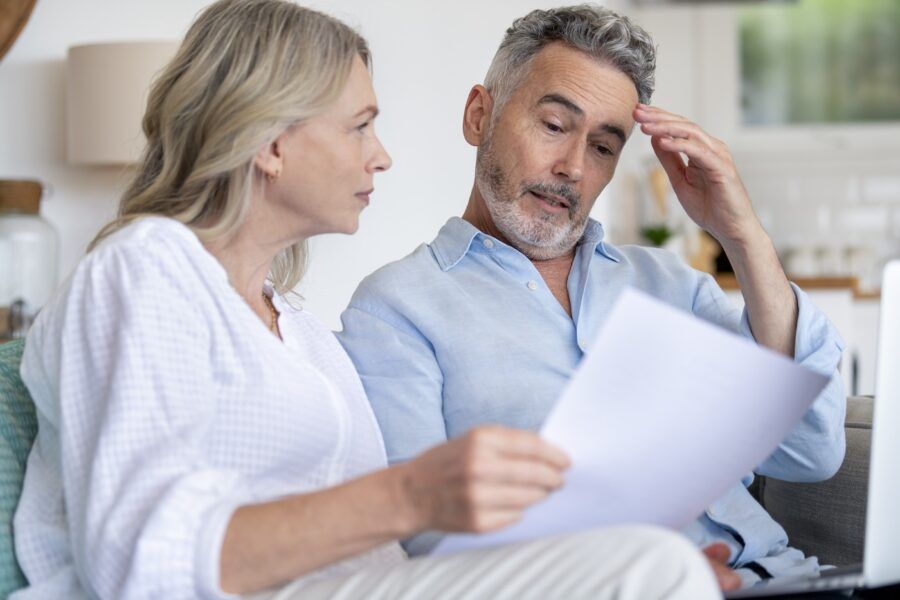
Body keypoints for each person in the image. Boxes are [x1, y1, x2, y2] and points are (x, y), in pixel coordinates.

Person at [11, 1, 723, 599]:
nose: (381, 155)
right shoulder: (142, 271)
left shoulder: (301, 332)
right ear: (271, 141)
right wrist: (413, 494)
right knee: (651, 567)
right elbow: (138, 559)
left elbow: (391, 561)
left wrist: (576, 564)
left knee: (650, 562)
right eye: (359, 126)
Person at [336, 4, 846, 590]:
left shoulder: (671, 284)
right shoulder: (397, 309)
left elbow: (810, 452)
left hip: (790, 580)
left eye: (603, 147)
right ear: (480, 116)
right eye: (554, 125)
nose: (574, 168)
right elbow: (422, 537)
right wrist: (642, 569)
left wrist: (742, 236)